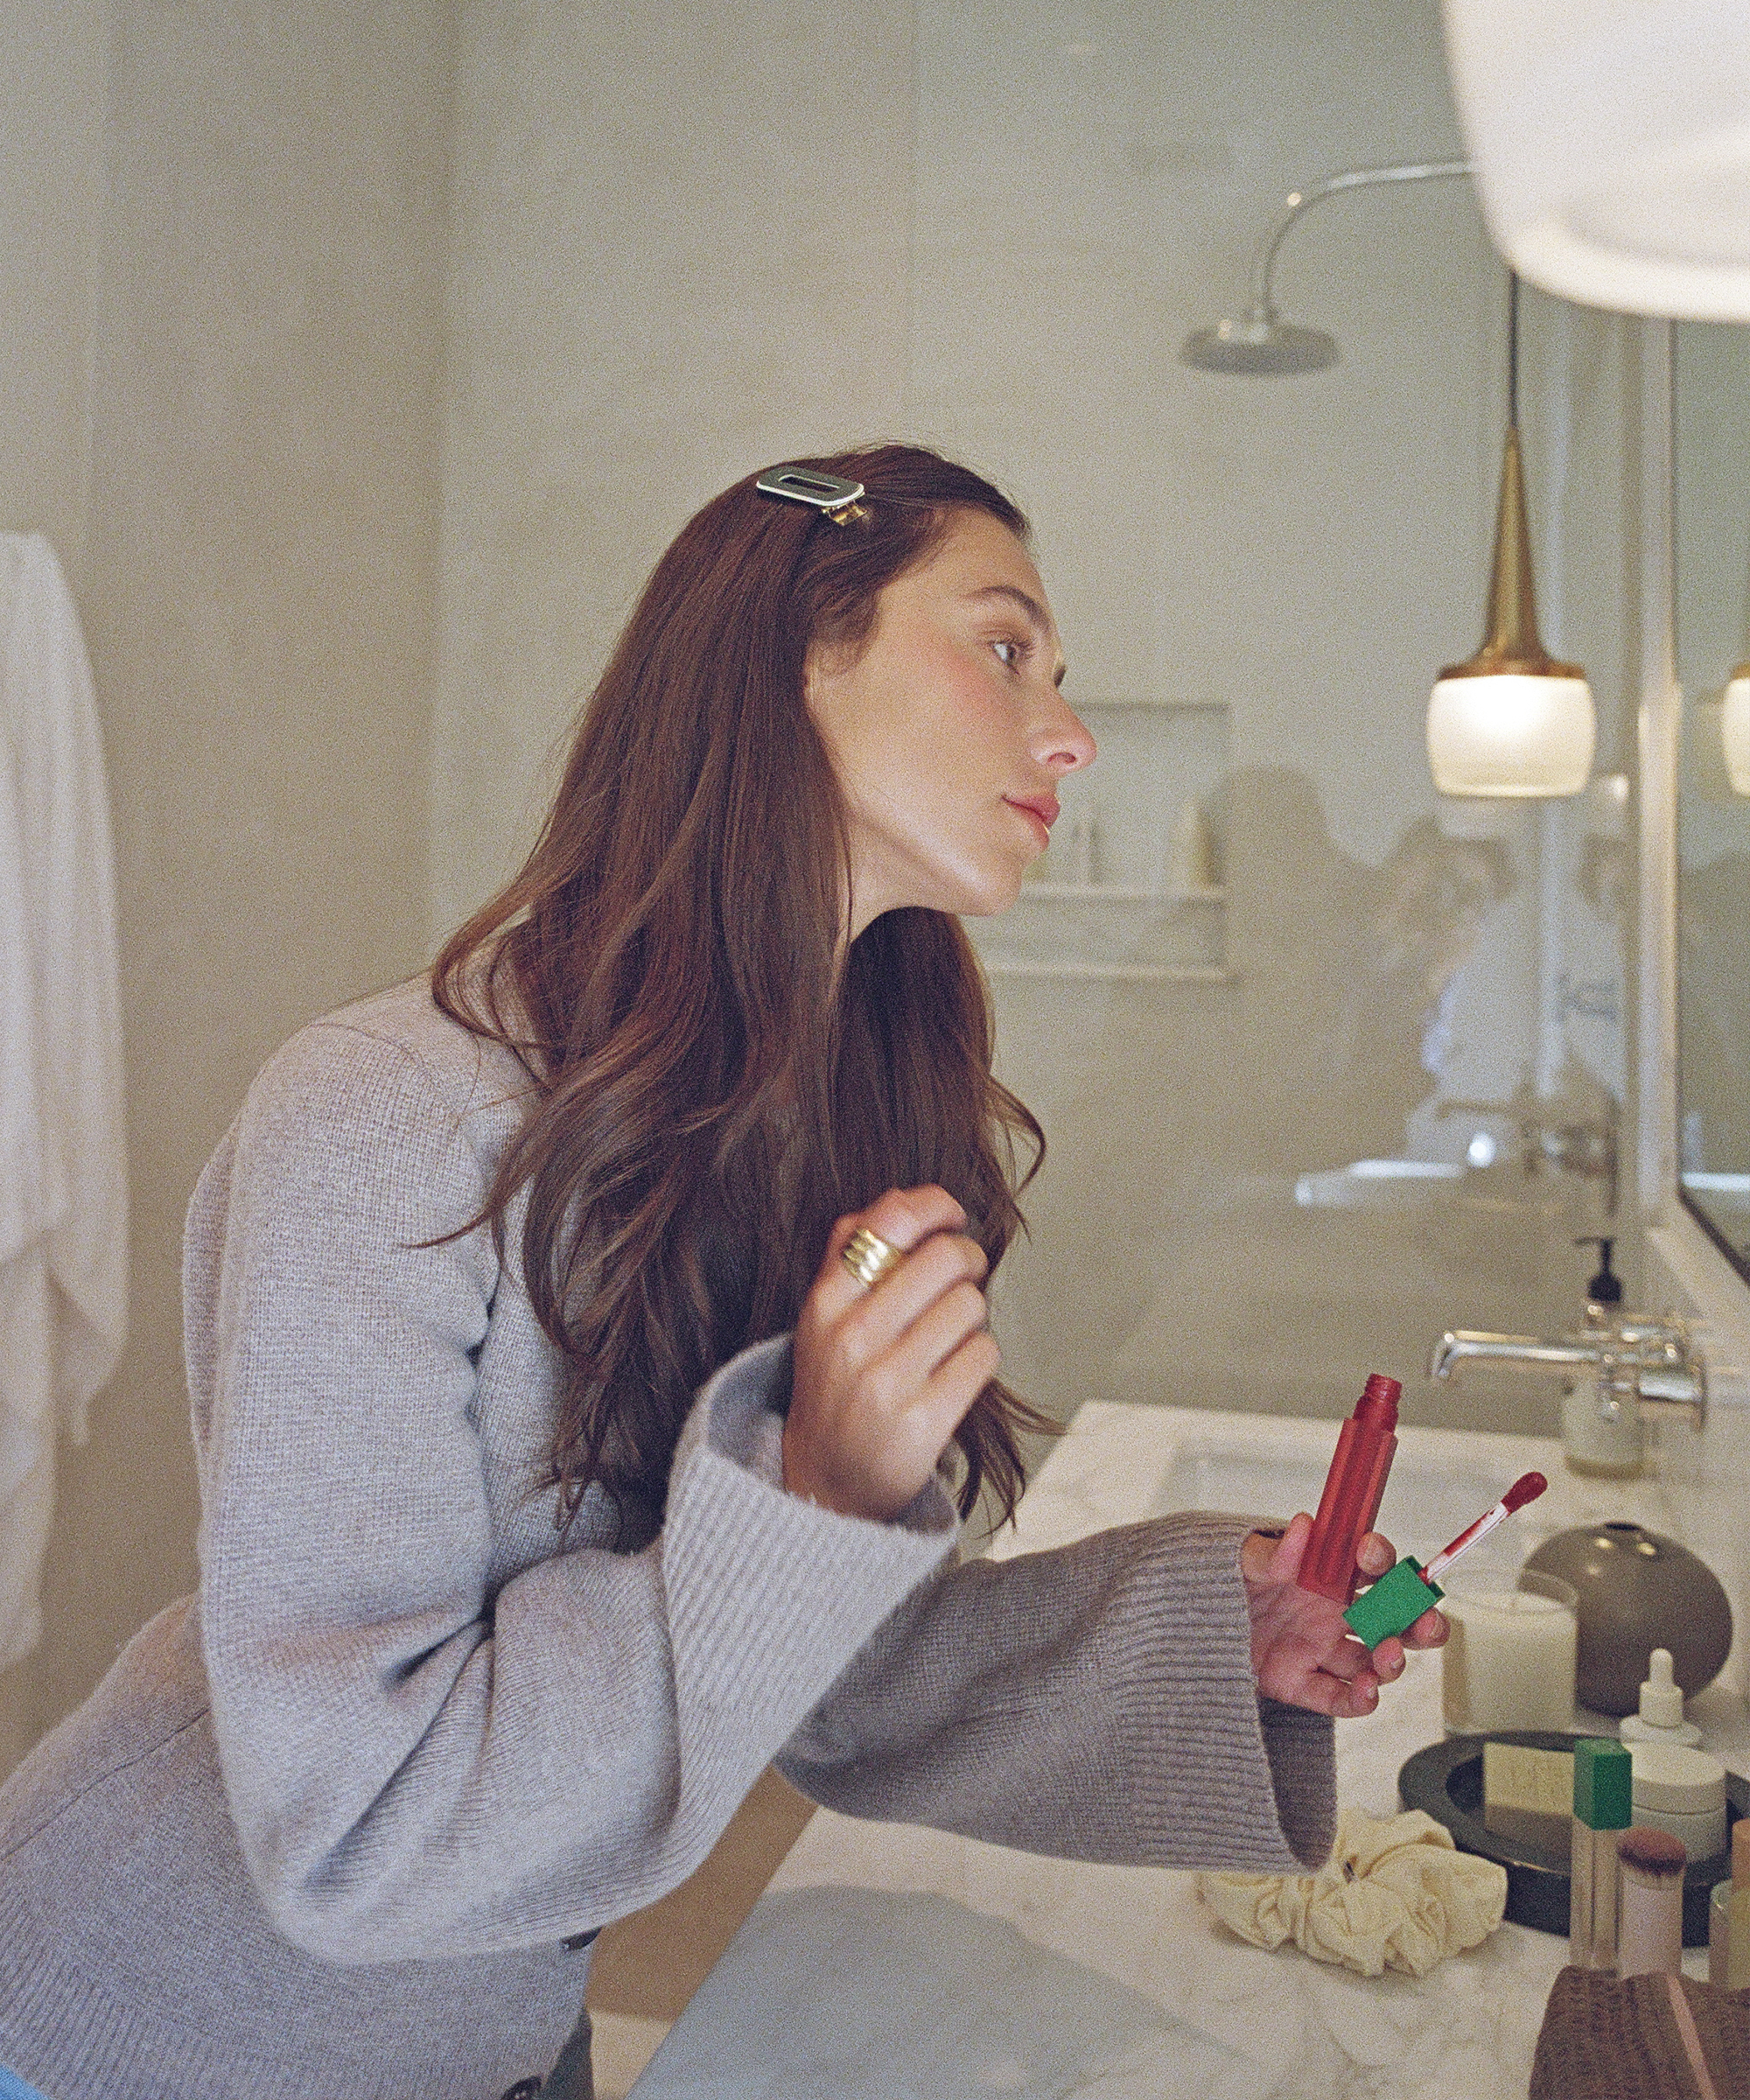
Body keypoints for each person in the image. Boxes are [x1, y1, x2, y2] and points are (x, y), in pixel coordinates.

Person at [0, 445, 1443, 2100]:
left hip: (493, 2047)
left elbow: (790, 1671)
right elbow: (359, 1820)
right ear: (797, 649)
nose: (1069, 733)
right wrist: (811, 1492)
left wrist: (1207, 1632)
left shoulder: (807, 1125)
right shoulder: (384, 1118)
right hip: (143, 2032)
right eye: (1003, 648)